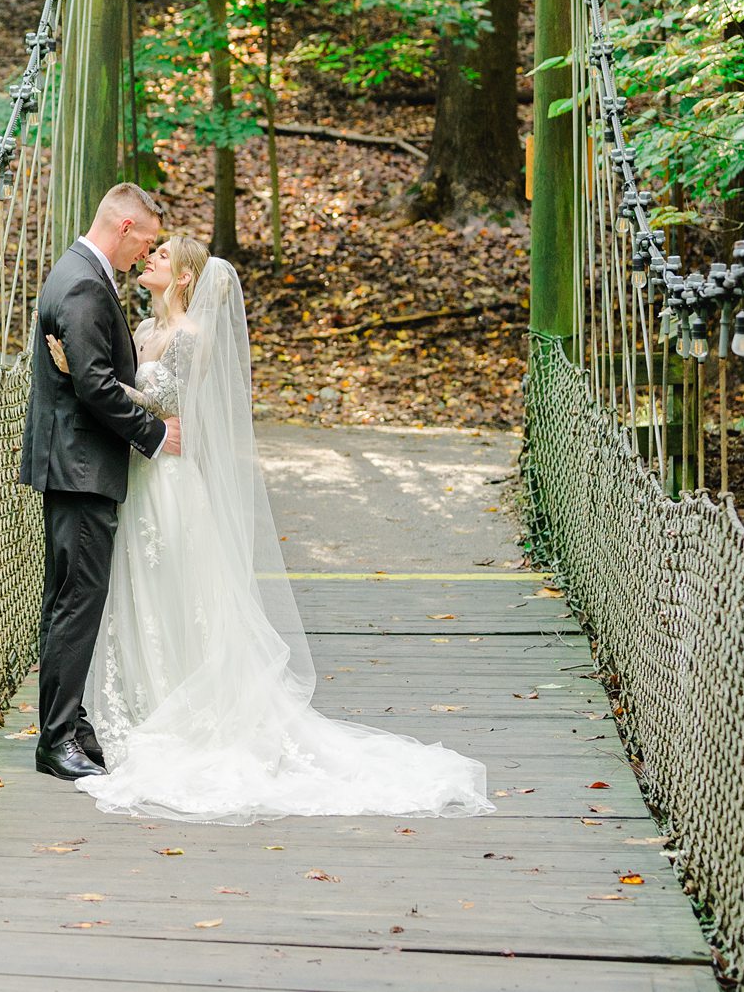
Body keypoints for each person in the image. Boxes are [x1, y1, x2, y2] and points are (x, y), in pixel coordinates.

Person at [77, 235, 492, 824]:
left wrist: (91, 378)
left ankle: (187, 712)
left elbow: (182, 412)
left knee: (180, 588)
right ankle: (145, 706)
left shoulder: (193, 340)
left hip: (170, 481)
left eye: (163, 256)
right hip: (139, 478)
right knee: (143, 590)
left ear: (187, 278)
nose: (150, 260)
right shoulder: (141, 333)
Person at [18, 183, 182, 781]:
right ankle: (57, 740)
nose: (146, 253)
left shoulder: (75, 270)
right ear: (124, 227)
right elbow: (95, 384)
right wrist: (157, 435)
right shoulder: (86, 283)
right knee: (77, 603)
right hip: (83, 467)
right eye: (146, 241)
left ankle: (70, 723)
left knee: (66, 600)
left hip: (70, 464)